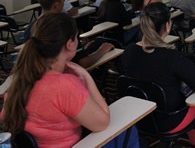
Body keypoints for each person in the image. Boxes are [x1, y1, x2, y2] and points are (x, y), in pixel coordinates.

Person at [0, 13, 139, 148]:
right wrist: (86, 76)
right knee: (129, 130)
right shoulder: (64, 84)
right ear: (70, 44)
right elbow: (103, 122)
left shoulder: (19, 78)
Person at [121, 2, 195, 148]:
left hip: (136, 118)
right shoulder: (172, 58)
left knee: (189, 90)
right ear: (168, 25)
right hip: (168, 121)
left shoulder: (128, 52)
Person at [24, 0, 114, 68]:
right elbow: (84, 62)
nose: (65, 2)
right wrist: (102, 50)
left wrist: (80, 49)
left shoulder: (30, 28)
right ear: (56, 5)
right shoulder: (65, 26)